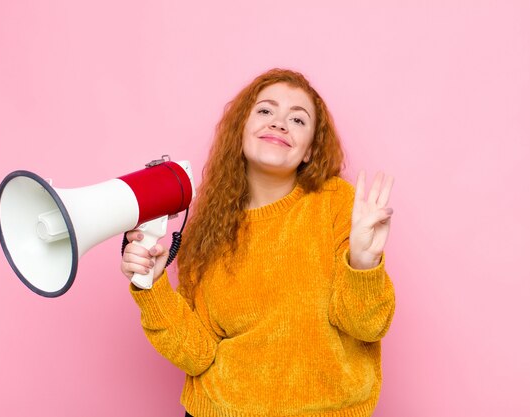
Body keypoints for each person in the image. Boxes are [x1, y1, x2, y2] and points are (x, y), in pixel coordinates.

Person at [121, 68, 396, 417]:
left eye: (297, 119)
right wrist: (152, 287)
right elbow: (197, 354)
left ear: (310, 151)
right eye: (265, 111)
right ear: (240, 131)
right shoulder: (210, 228)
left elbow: (367, 327)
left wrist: (363, 265)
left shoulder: (338, 203)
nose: (279, 123)